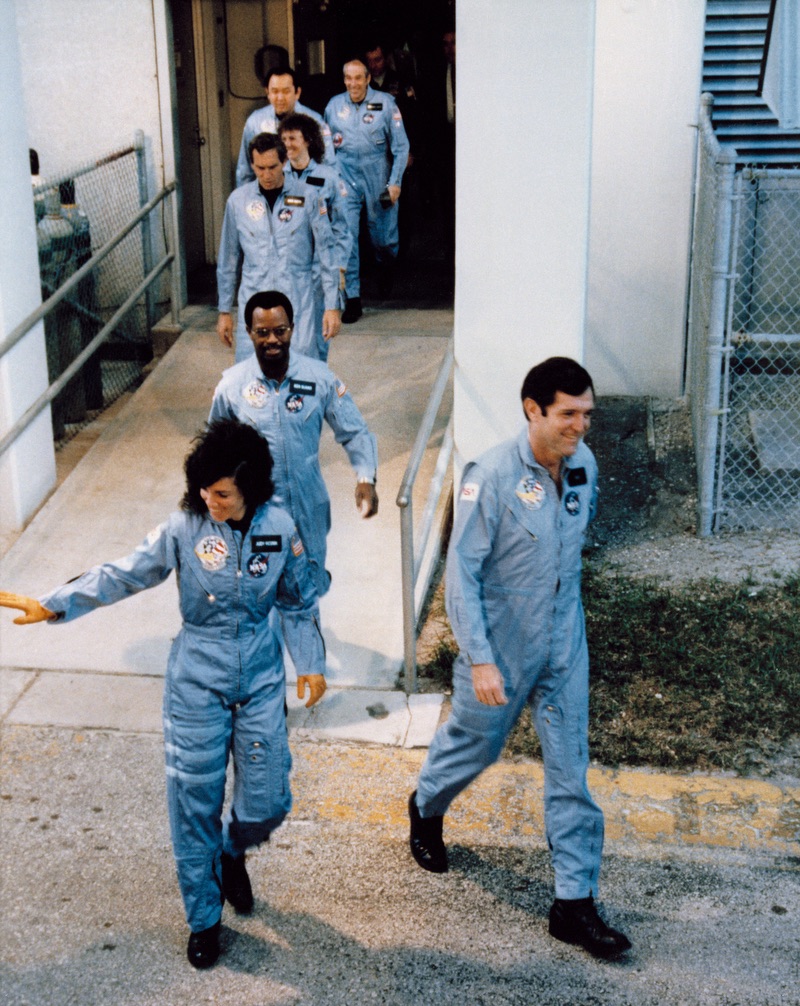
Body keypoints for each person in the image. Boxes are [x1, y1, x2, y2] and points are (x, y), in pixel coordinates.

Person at [0, 418, 327, 970]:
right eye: (202, 489)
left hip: (263, 678)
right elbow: (124, 573)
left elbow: (298, 598)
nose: (208, 499)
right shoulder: (184, 527)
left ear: (251, 488)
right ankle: (203, 919)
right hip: (196, 681)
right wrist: (56, 602)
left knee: (268, 798)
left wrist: (311, 662)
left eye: (221, 492)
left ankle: (234, 853)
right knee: (194, 804)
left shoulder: (281, 526)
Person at [407, 357, 632, 960]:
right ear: (533, 410)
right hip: (501, 648)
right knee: (475, 746)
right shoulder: (493, 476)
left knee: (570, 771)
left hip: (564, 642)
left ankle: (574, 904)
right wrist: (479, 658)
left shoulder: (583, 466)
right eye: (568, 414)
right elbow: (463, 573)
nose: (581, 426)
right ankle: (426, 805)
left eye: (587, 414)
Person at [209, 290, 378, 598]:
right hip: (258, 511)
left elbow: (354, 431)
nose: (272, 340)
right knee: (260, 594)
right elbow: (213, 453)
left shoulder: (319, 378)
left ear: (292, 329)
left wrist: (365, 476)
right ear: (249, 333)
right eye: (262, 332)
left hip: (308, 505)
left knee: (308, 591)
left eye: (280, 330)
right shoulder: (231, 386)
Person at [217, 132, 341, 363]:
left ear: (284, 162)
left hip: (298, 301)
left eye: (272, 167)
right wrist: (224, 311)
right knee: (252, 375)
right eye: (259, 168)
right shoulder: (238, 202)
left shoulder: (309, 197)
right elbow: (228, 260)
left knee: (303, 370)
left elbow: (327, 253)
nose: (266, 175)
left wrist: (332, 306)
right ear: (252, 165)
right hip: (254, 303)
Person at [324, 59, 410, 322]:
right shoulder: (334, 106)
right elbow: (326, 148)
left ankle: (385, 267)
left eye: (358, 78)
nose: (353, 84)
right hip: (345, 174)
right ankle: (352, 299)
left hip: (377, 173)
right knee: (346, 235)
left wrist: (394, 182)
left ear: (368, 78)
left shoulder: (385, 103)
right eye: (348, 78)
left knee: (384, 239)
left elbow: (401, 147)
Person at [278, 112, 353, 361]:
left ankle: (316, 388)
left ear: (308, 140)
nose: (287, 144)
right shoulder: (278, 177)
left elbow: (342, 228)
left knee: (319, 341)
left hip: (320, 272)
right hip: (287, 271)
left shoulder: (328, 177)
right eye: (284, 138)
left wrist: (339, 266)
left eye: (293, 138)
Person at [235, 66, 334, 187]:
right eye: (275, 91)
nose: (280, 98)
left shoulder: (315, 121)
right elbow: (245, 170)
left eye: (286, 91)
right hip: (268, 194)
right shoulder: (255, 122)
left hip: (305, 193)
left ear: (297, 92)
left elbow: (329, 164)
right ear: (268, 92)